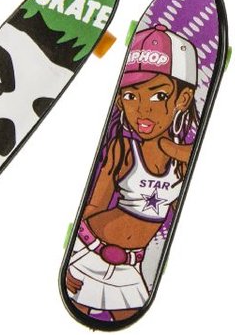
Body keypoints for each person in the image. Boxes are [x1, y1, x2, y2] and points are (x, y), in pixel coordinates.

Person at [65, 25, 200, 321]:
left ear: (183, 99)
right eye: (130, 96)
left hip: (131, 264)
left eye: (158, 96)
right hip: (90, 250)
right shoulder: (123, 149)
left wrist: (169, 147)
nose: (142, 110)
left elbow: (181, 207)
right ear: (120, 100)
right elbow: (95, 205)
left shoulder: (181, 162)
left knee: (127, 312)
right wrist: (72, 257)